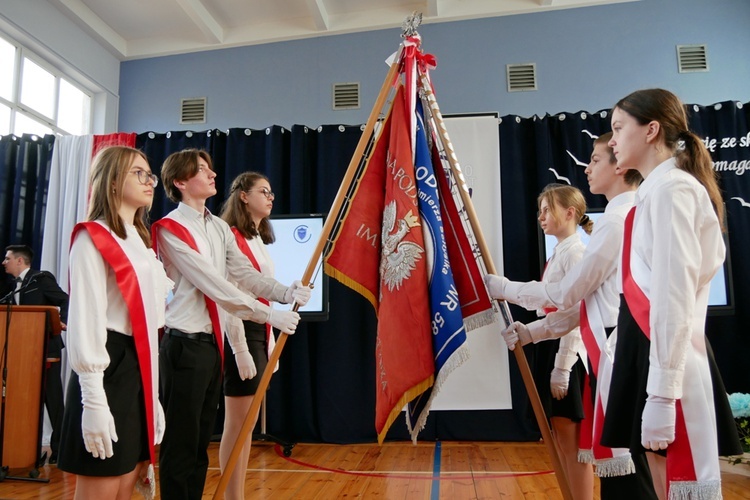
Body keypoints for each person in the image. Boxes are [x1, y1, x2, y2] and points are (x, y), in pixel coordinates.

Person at [485, 133, 658, 499]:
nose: (588, 167)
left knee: (627, 464)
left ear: (620, 165)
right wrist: (531, 333)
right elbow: (581, 309)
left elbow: (567, 297)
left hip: (621, 348)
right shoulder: (618, 218)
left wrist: (504, 287)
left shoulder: (616, 221)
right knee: (626, 465)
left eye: (595, 159)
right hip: (612, 349)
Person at [601, 88, 741, 499]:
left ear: (651, 131)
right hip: (652, 350)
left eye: (618, 128)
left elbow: (674, 292)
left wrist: (663, 392)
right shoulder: (655, 193)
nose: (612, 140)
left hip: (667, 359)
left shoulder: (671, 191)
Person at [153, 149, 311, 500]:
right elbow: (214, 283)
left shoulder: (218, 226)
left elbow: (244, 274)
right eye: (201, 170)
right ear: (180, 182)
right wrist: (270, 314)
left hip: (211, 345)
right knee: (181, 442)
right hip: (184, 343)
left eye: (211, 169)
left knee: (199, 442)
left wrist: (286, 292)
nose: (212, 175)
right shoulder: (170, 229)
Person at [56, 146, 170, 499]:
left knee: (125, 482)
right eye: (139, 173)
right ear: (113, 179)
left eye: (150, 174)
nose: (149, 180)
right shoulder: (92, 237)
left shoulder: (139, 239)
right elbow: (85, 319)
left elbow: (151, 318)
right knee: (102, 485)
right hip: (107, 365)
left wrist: (152, 395)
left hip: (140, 363)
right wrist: (93, 399)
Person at [497, 183, 595, 500]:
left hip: (568, 352)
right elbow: (546, 302)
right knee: (560, 437)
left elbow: (577, 313)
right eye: (539, 210)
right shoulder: (560, 253)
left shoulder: (577, 253)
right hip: (551, 344)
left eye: (546, 209)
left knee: (573, 443)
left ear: (569, 213)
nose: (540, 217)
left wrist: (563, 366)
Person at [218, 171, 285, 500]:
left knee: (248, 424)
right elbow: (230, 296)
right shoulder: (231, 237)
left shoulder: (259, 238)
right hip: (241, 329)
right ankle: (233, 496)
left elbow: (262, 289)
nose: (270, 197)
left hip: (260, 329)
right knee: (239, 424)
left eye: (271, 192)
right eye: (263, 191)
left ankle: (237, 494)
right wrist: (240, 348)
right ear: (243, 195)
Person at [2, 244, 69, 466]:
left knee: (53, 400)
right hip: (23, 353)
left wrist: (64, 322)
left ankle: (60, 450)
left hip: (46, 349)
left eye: (7, 258)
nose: (4, 262)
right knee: (27, 401)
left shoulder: (40, 279)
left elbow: (65, 299)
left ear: (20, 261)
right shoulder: (14, 289)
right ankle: (26, 450)